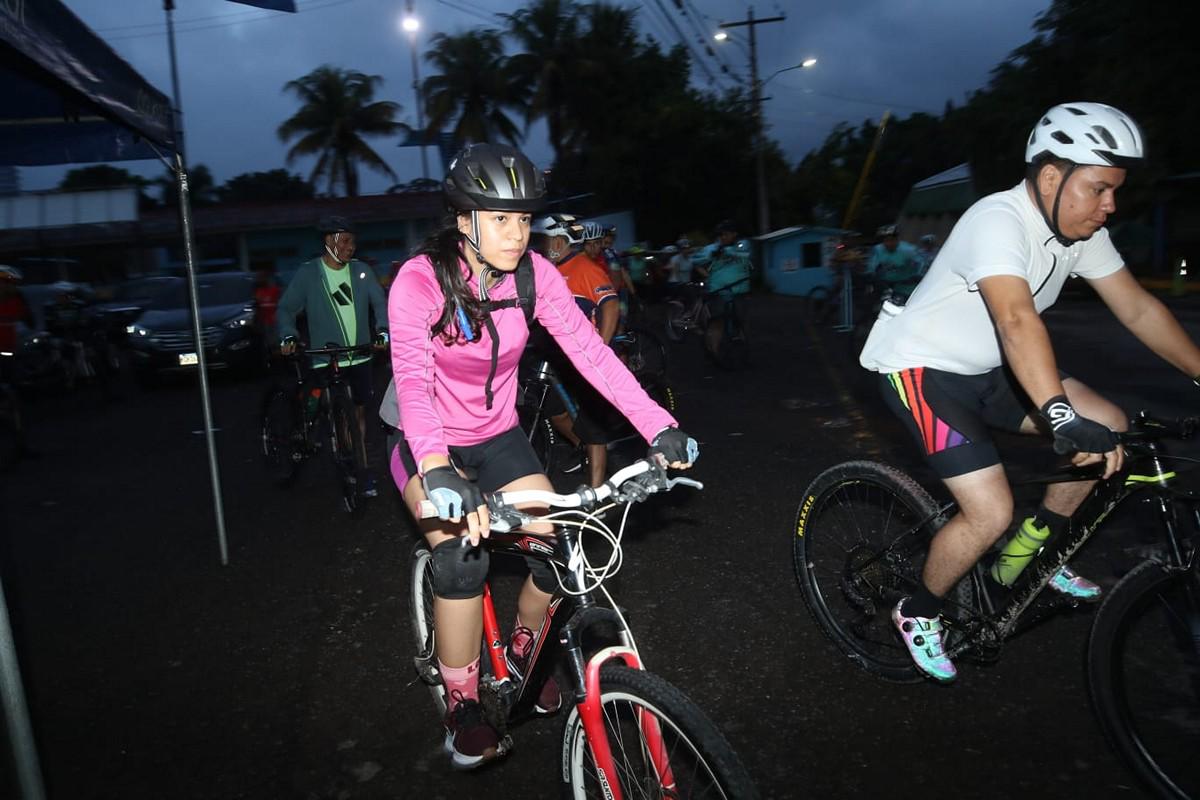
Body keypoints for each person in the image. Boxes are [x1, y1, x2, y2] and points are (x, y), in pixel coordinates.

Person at [859, 102, 1200, 683]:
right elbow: (1018, 320)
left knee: (1109, 423)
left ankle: (1029, 554)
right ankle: (917, 610)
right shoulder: (998, 220)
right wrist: (1058, 413)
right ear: (1051, 177)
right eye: (1099, 189)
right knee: (989, 510)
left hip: (990, 368)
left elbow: (1139, 309)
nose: (1110, 205)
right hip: (921, 369)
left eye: (1114, 191)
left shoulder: (1081, 233)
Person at [385, 143, 697, 769]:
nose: (516, 232)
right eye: (500, 218)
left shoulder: (535, 276)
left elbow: (593, 356)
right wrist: (438, 467)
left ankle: (525, 657)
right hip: (425, 444)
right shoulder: (419, 282)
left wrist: (658, 424)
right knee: (461, 562)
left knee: (558, 548)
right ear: (464, 220)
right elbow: (414, 386)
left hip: (498, 436)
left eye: (524, 219)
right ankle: (463, 702)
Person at [278, 216, 389, 497]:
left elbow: (380, 303)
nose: (352, 247)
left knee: (358, 416)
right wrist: (288, 335)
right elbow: (286, 309)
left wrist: (383, 331)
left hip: (360, 356)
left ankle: (359, 470)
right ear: (329, 241)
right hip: (325, 358)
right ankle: (321, 440)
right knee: (333, 415)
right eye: (345, 241)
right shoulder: (308, 274)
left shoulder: (362, 271)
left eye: (353, 241)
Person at [537, 216, 624, 488]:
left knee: (593, 421)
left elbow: (610, 305)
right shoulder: (548, 270)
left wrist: (601, 348)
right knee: (552, 409)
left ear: (560, 241)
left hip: (588, 355)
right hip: (561, 354)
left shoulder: (584, 268)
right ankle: (582, 446)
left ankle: (596, 490)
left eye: (546, 239)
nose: (541, 244)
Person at [692, 219, 751, 361]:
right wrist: (708, 272)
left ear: (734, 234)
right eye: (721, 235)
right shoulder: (711, 248)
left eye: (726, 234)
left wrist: (724, 251)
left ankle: (742, 347)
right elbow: (696, 261)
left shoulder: (742, 245)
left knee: (740, 320)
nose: (723, 237)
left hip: (739, 291)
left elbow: (744, 254)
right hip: (719, 291)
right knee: (717, 322)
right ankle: (714, 352)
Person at [867, 224, 923, 302]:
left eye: (891, 240)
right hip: (885, 286)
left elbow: (921, 264)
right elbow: (872, 267)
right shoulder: (878, 249)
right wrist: (872, 274)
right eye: (885, 240)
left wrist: (917, 275)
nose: (888, 244)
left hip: (904, 287)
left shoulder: (909, 251)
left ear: (897, 239)